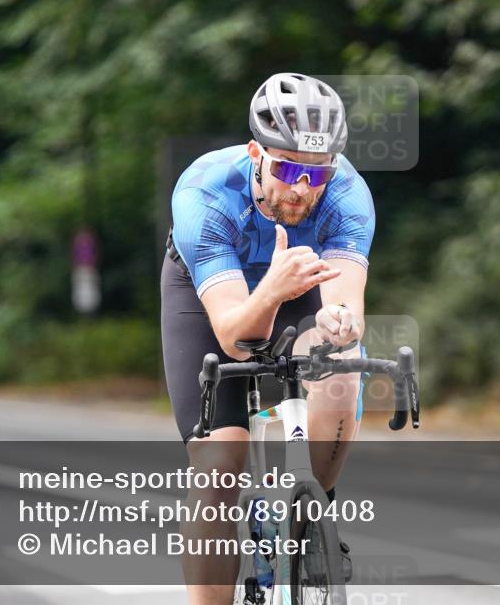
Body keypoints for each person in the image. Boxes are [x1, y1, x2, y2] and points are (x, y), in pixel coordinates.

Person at [161, 73, 375, 604]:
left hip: (302, 280)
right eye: (287, 169)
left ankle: (312, 518)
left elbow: (346, 301)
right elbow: (235, 338)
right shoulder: (204, 192)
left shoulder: (347, 193)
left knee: (342, 370)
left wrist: (339, 323)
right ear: (256, 153)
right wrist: (270, 291)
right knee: (219, 471)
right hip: (212, 299)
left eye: (316, 173)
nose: (302, 187)